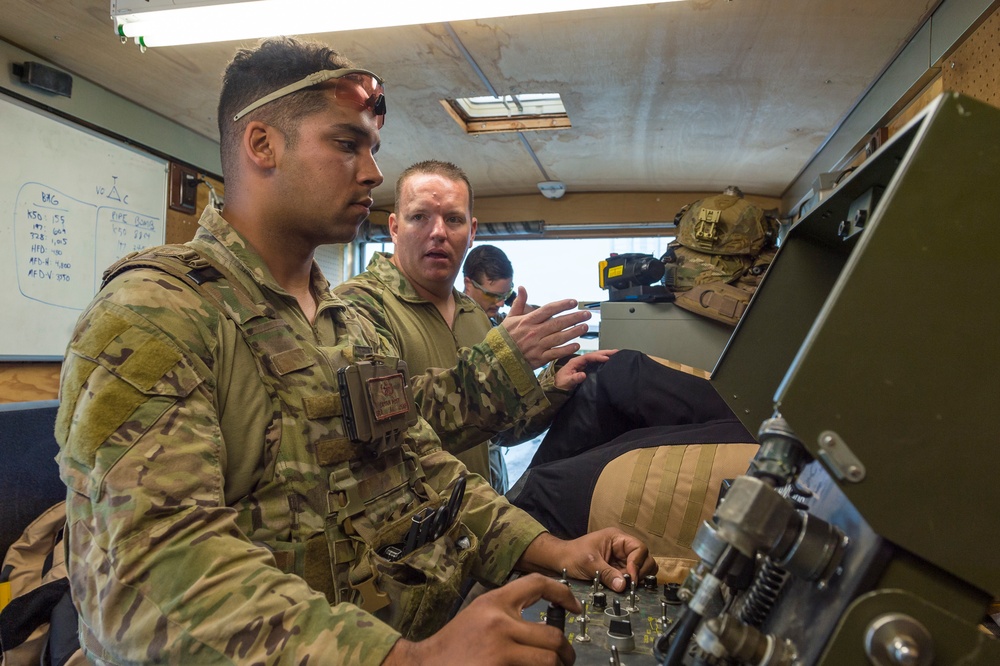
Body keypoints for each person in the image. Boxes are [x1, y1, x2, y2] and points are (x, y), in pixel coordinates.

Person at [53, 37, 653, 665]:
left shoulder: (347, 327)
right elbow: (147, 576)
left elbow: (425, 471)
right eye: (346, 144)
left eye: (372, 149)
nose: (371, 172)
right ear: (262, 145)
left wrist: (553, 549)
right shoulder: (157, 313)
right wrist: (410, 660)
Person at [335, 161, 612, 492]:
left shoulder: (475, 316)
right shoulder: (354, 306)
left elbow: (499, 429)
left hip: (483, 524)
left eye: (453, 219)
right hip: (415, 534)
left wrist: (554, 387)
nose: (438, 232)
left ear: (472, 232)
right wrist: (507, 363)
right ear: (394, 227)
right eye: (419, 216)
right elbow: (395, 426)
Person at [462, 244, 515, 325]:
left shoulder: (495, 319)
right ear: (468, 284)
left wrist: (511, 298)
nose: (501, 304)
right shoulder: (454, 321)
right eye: (493, 295)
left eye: (506, 295)